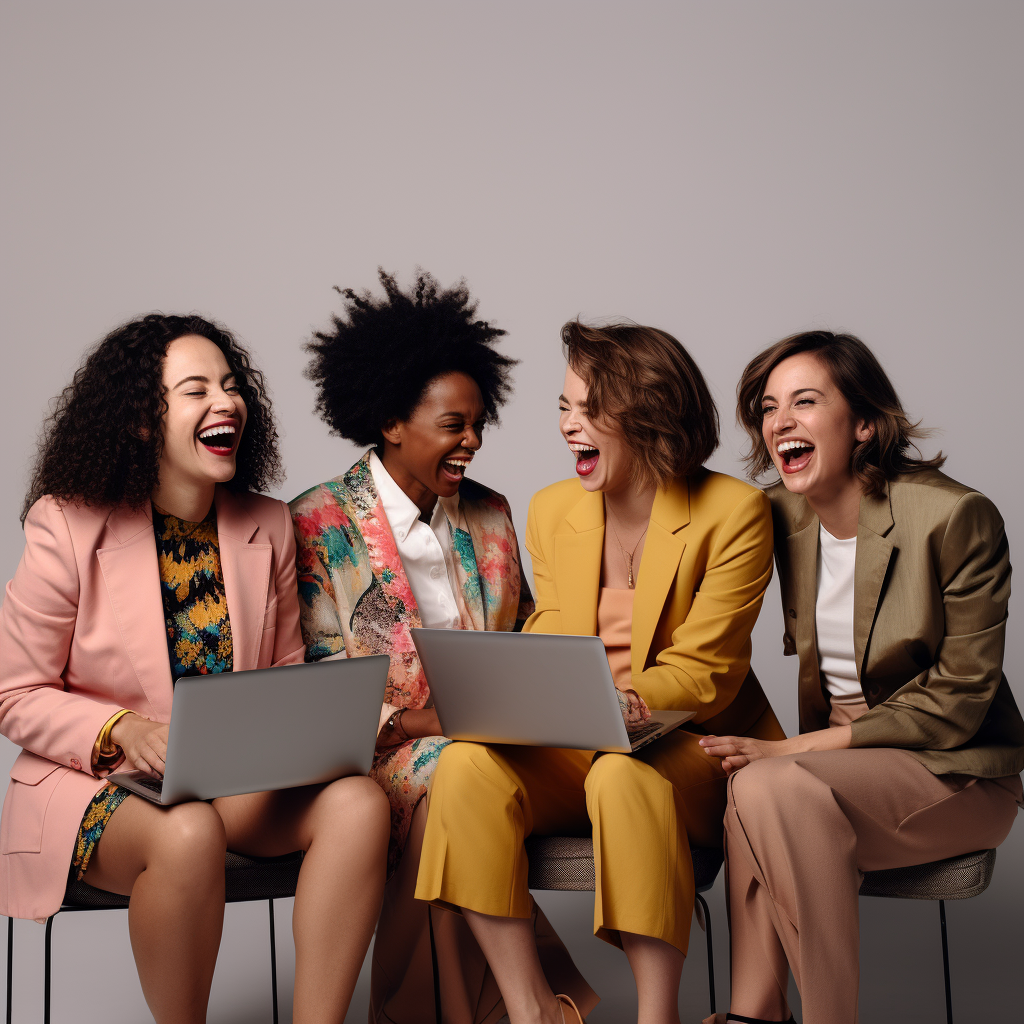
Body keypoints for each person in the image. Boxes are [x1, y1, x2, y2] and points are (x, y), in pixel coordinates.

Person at [0, 314, 391, 1024]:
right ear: (144, 422)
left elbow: (284, 674)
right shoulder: (64, 524)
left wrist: (319, 728)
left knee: (360, 804)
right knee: (188, 833)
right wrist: (123, 728)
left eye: (232, 386)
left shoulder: (266, 525)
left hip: (228, 780)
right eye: (196, 390)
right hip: (99, 784)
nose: (227, 402)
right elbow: (14, 694)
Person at [415, 320, 786, 1024]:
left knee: (622, 774)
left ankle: (657, 1014)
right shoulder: (554, 510)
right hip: (580, 736)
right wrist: (534, 693)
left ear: (647, 413)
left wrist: (622, 702)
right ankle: (533, 1009)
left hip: (694, 750)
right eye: (563, 407)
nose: (568, 426)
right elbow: (553, 629)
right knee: (463, 768)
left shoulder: (733, 512)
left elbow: (709, 672)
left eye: (588, 410)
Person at [290, 269, 597, 1024]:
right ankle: (525, 1008)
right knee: (454, 783)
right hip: (380, 761)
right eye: (454, 424)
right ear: (393, 421)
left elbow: (526, 643)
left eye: (479, 423)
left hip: (494, 743)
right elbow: (321, 683)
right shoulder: (317, 523)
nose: (473, 441)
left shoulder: (490, 513)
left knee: (465, 779)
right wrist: (432, 726)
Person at [699, 330, 1024, 1024]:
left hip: (954, 772)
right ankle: (755, 1014)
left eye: (805, 402)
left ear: (866, 423)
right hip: (832, 777)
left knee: (762, 785)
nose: (779, 421)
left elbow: (961, 699)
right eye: (766, 407)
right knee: (754, 791)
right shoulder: (777, 518)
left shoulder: (955, 518)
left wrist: (795, 748)